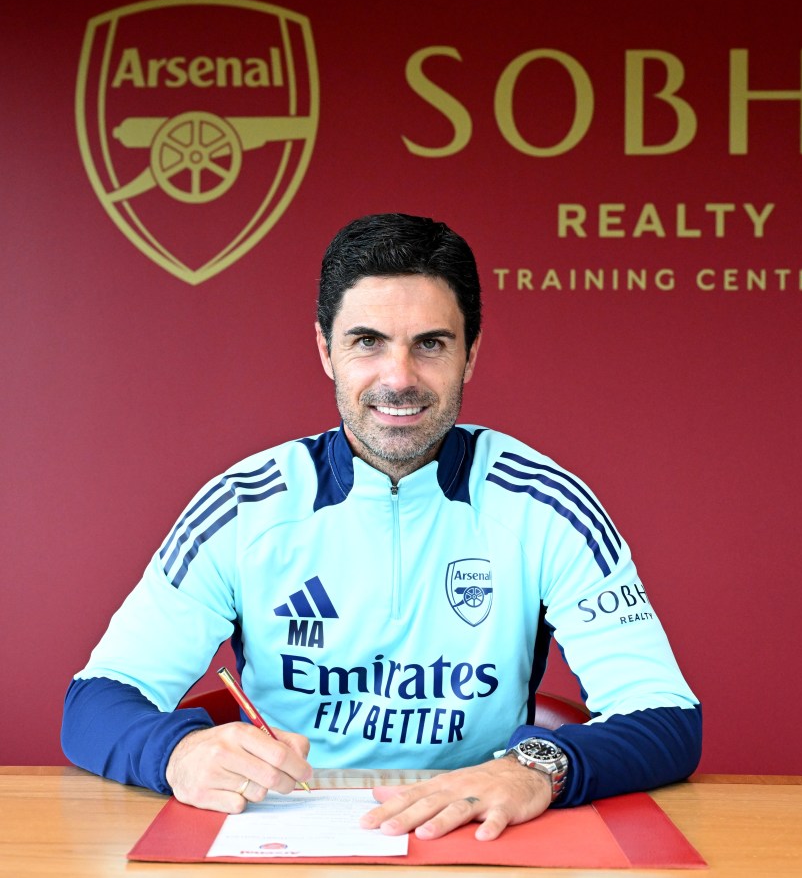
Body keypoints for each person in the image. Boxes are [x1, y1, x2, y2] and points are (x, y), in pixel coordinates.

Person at [62, 213, 701, 841]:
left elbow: (667, 718)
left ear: (470, 354)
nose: (399, 378)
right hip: (282, 841)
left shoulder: (544, 504)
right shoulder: (244, 506)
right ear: (325, 350)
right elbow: (96, 703)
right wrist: (178, 754)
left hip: (475, 837)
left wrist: (540, 768)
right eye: (367, 341)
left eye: (431, 343)